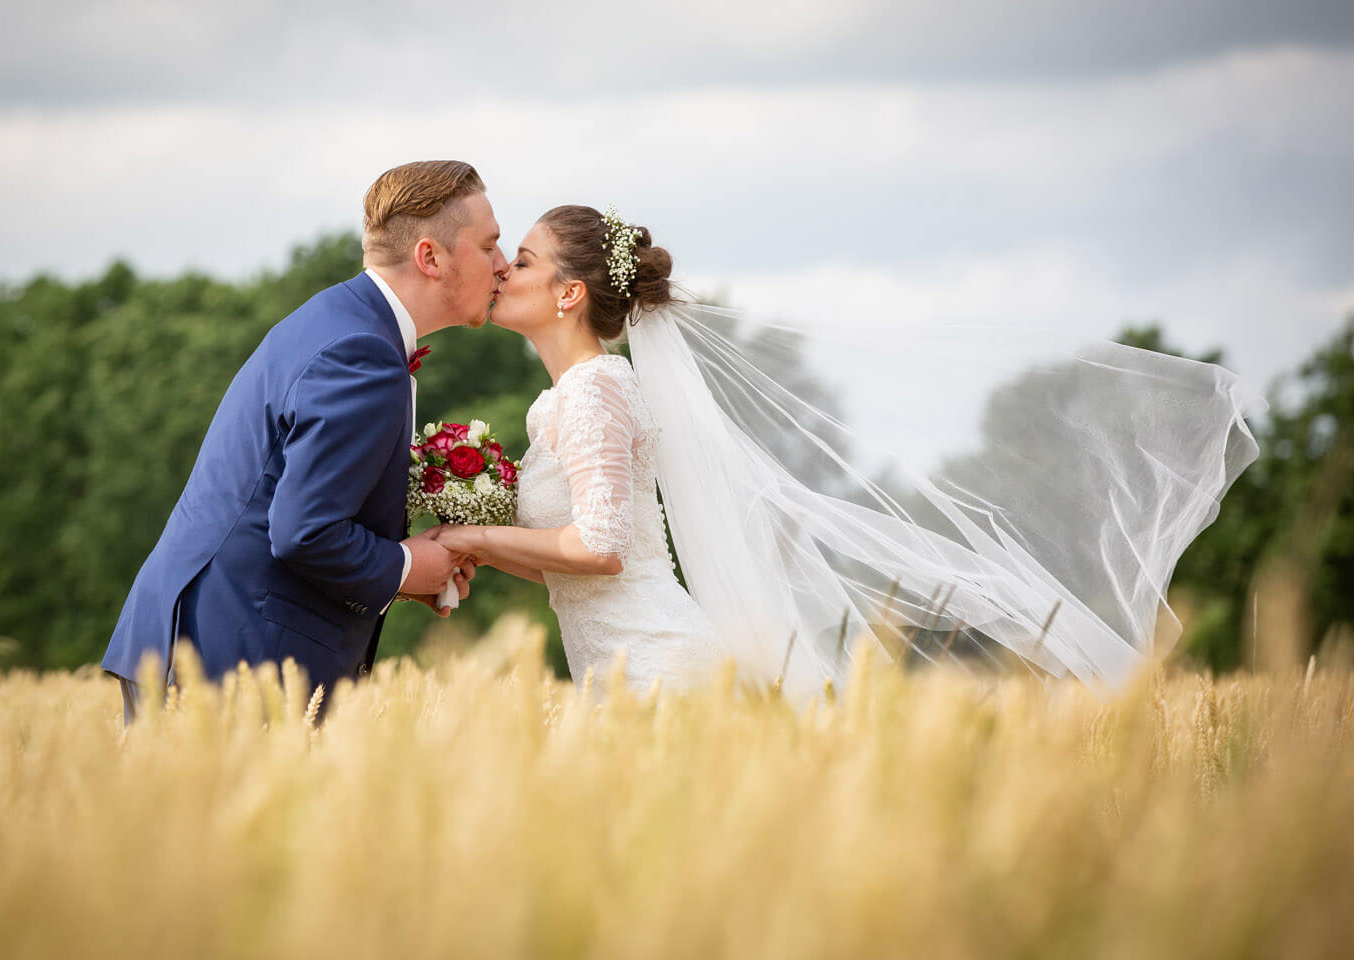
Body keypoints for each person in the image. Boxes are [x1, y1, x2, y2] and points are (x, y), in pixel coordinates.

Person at [432, 204, 1264, 700]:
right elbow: (577, 561)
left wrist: (469, 538)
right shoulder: (565, 400)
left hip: (654, 668)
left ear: (570, 293)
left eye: (524, 259)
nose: (502, 268)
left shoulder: (595, 392)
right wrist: (478, 547)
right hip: (615, 664)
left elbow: (604, 551)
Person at [101, 161, 500, 723]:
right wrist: (405, 568)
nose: (503, 266)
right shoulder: (359, 352)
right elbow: (305, 529)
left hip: (205, 635)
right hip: (232, 655)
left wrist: (406, 568)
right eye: (489, 246)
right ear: (430, 257)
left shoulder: (336, 320)